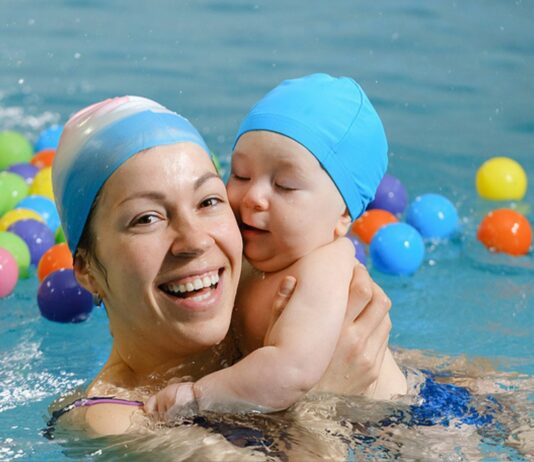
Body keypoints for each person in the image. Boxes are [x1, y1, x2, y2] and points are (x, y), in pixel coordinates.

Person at [49, 94, 394, 438]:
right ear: (86, 271)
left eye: (209, 201)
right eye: (147, 218)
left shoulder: (258, 293)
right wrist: (324, 405)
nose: (196, 241)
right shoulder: (117, 423)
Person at [147, 74, 407, 419]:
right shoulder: (241, 253)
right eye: (240, 175)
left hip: (398, 425)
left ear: (343, 213)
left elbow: (292, 370)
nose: (254, 197)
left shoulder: (324, 268)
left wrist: (197, 396)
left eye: (284, 185)